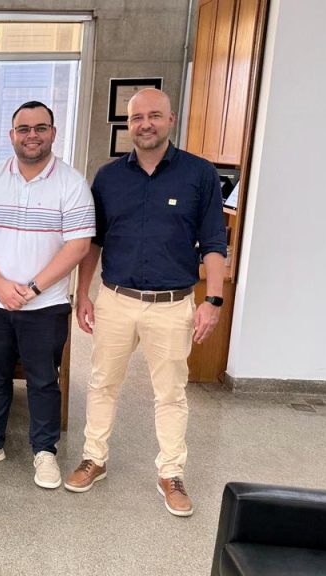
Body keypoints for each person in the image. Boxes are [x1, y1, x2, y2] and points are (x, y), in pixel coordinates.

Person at [64, 88, 227, 517]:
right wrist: (84, 293)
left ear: (171, 120)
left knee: (170, 393)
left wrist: (213, 300)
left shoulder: (199, 174)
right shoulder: (108, 177)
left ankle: (171, 472)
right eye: (137, 118)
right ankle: (94, 458)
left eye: (154, 116)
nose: (145, 124)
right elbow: (94, 242)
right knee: (102, 382)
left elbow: (214, 242)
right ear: (128, 124)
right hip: (116, 299)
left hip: (173, 304)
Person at [0, 101, 95, 489]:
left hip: (45, 304)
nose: (31, 135)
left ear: (53, 133)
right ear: (11, 135)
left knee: (43, 380)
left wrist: (33, 288)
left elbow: (79, 245)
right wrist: (0, 285)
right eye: (23, 128)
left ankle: (44, 451)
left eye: (40, 128)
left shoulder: (71, 183)